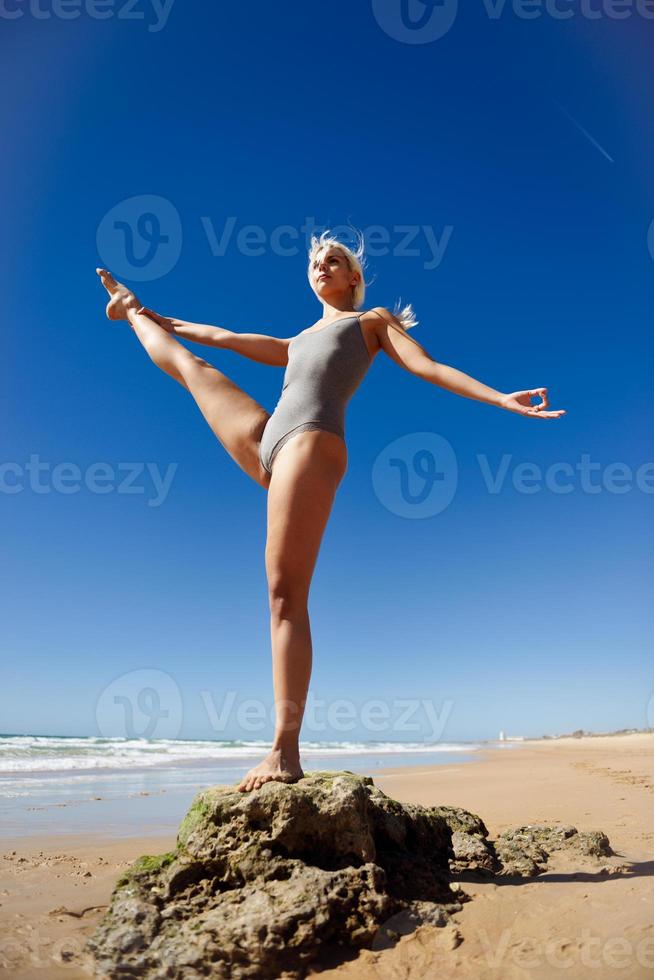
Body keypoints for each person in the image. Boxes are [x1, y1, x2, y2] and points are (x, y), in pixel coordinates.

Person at [96, 228, 566, 793]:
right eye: (316, 260)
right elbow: (222, 335)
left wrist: (499, 398)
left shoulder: (370, 322)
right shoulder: (297, 340)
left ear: (353, 278)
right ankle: (130, 312)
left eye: (334, 259)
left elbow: (429, 367)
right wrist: (148, 309)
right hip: (268, 438)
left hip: (312, 443)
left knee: (283, 594)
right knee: (194, 367)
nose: (322, 264)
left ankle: (284, 750)